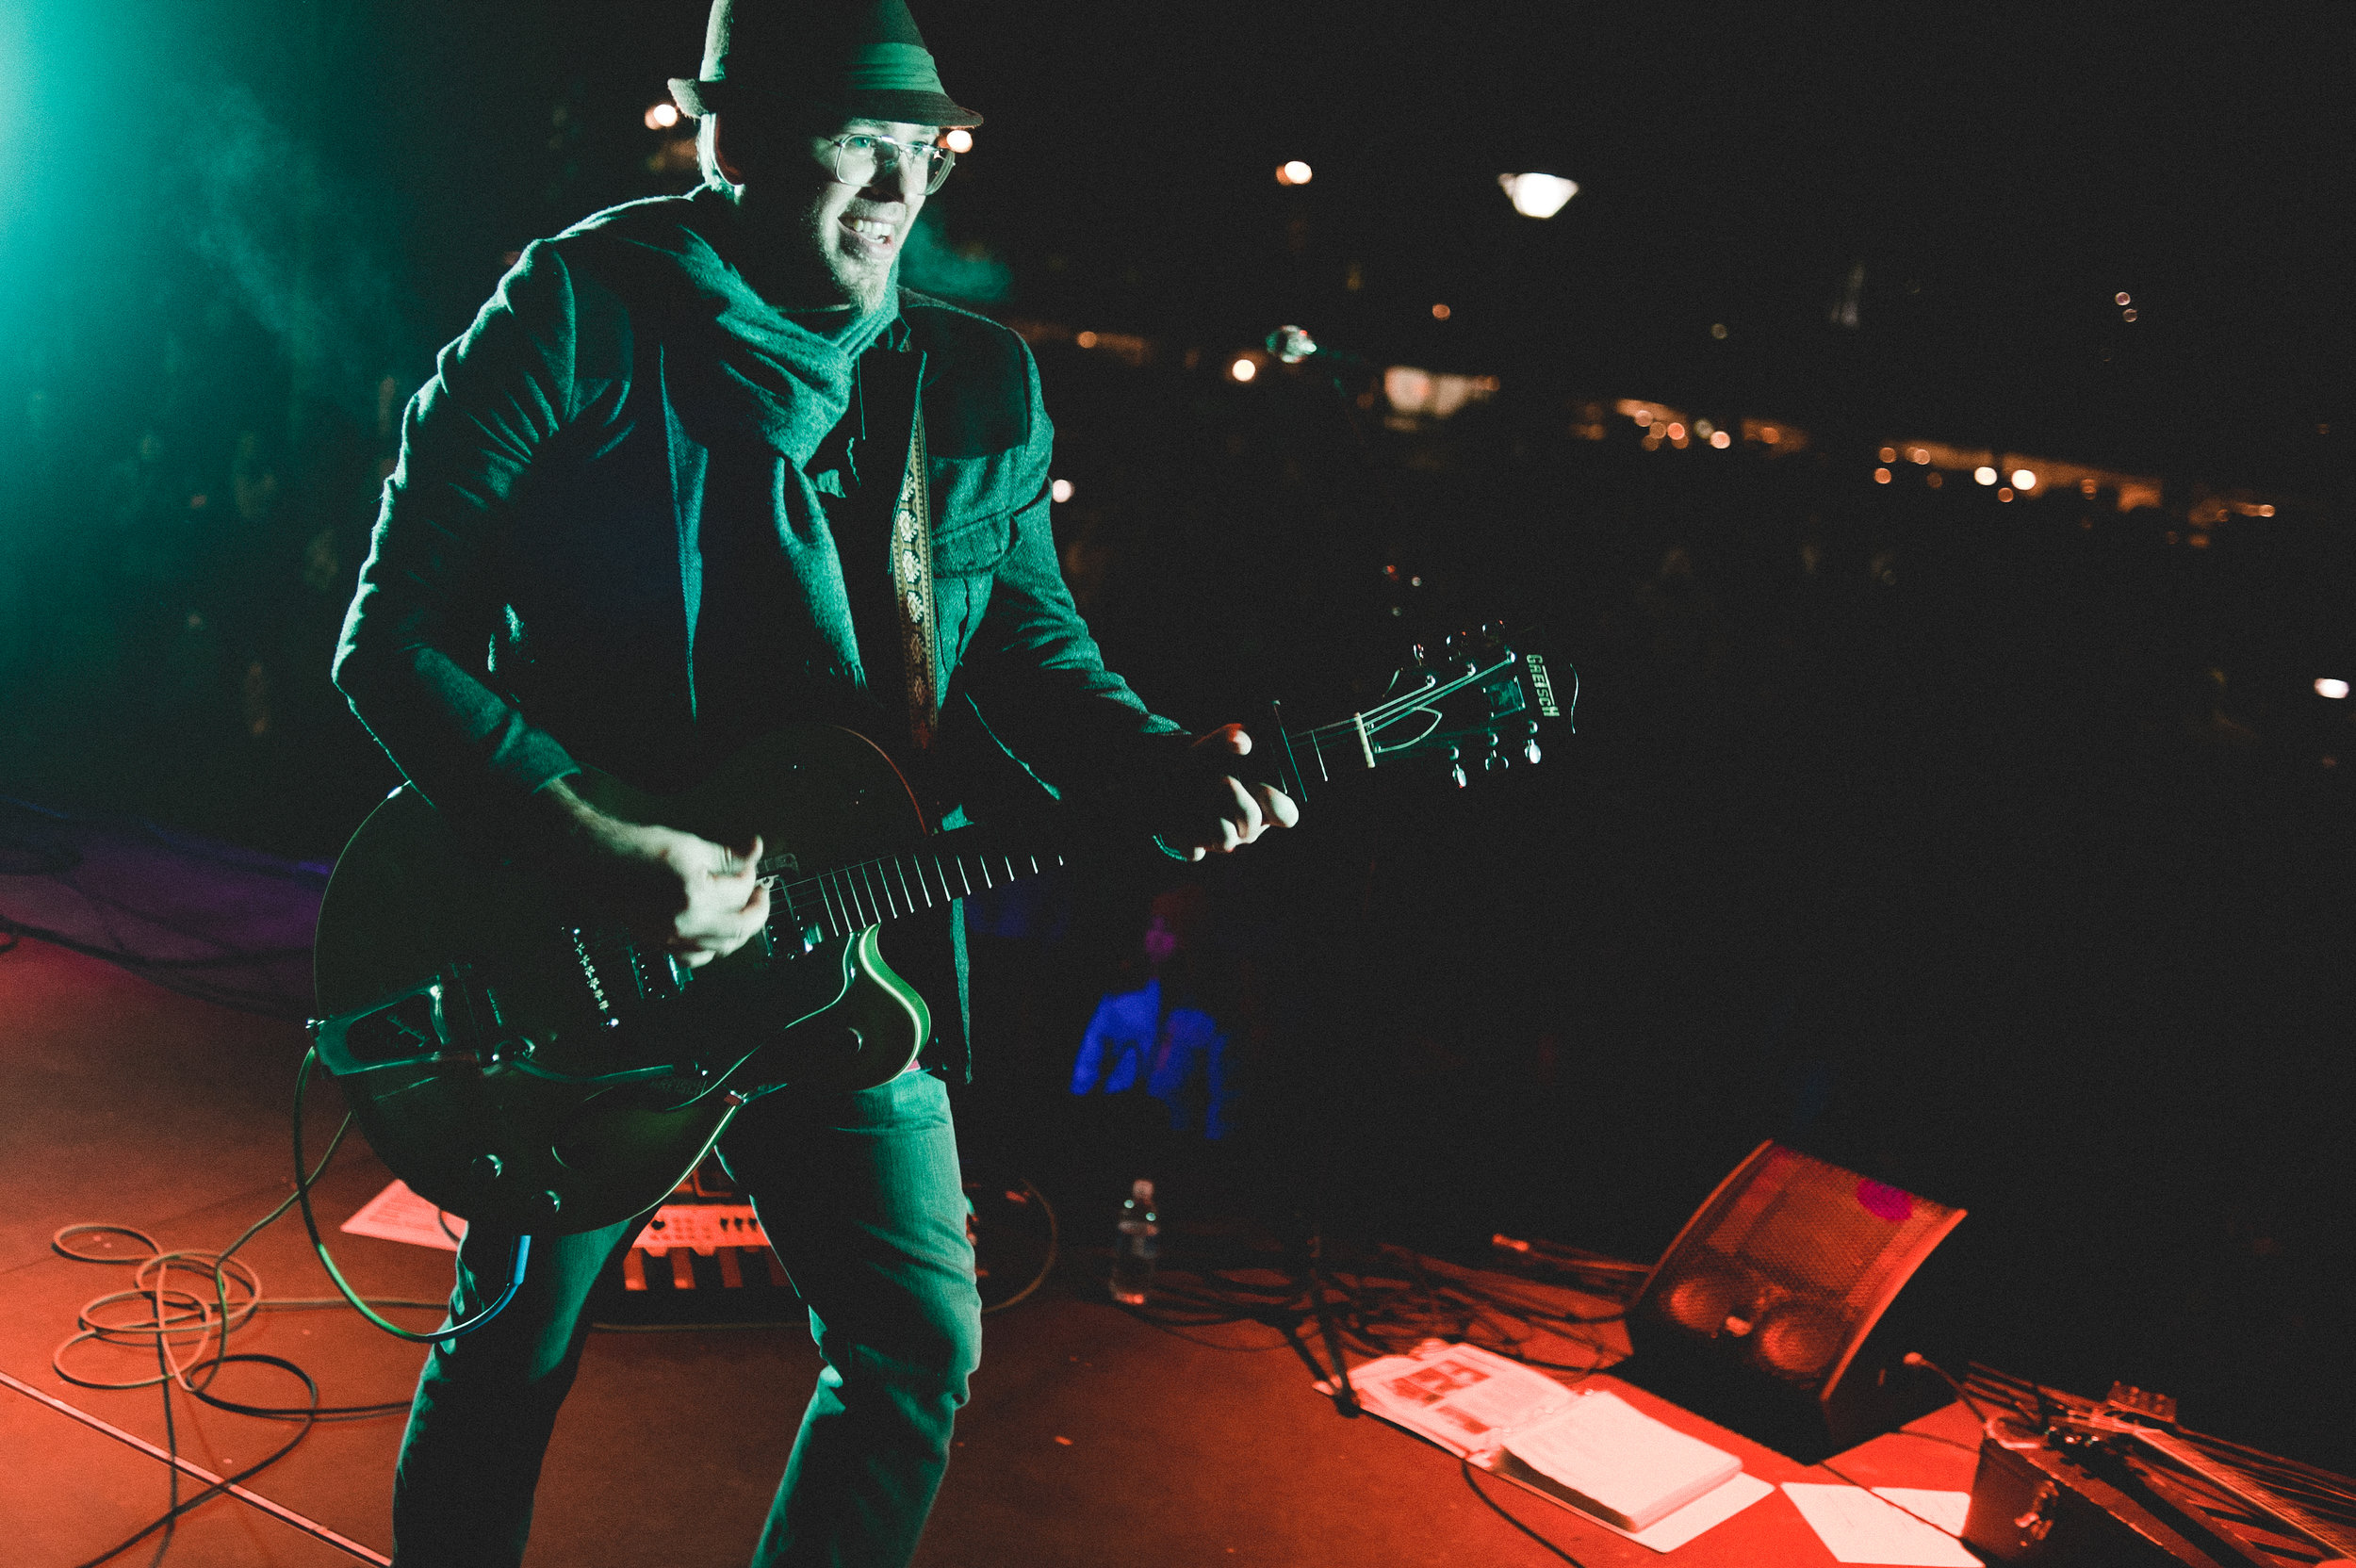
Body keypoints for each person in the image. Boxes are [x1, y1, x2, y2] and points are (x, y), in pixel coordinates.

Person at [329, 2, 1296, 1562]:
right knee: (513, 1345)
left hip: (840, 948)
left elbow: (1033, 648)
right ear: (735, 141)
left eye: (926, 151)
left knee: (918, 1348)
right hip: (583, 955)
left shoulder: (975, 384)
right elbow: (392, 643)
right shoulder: (578, 311)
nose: (900, 190)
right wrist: (585, 837)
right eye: (859, 145)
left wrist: (1158, 763)